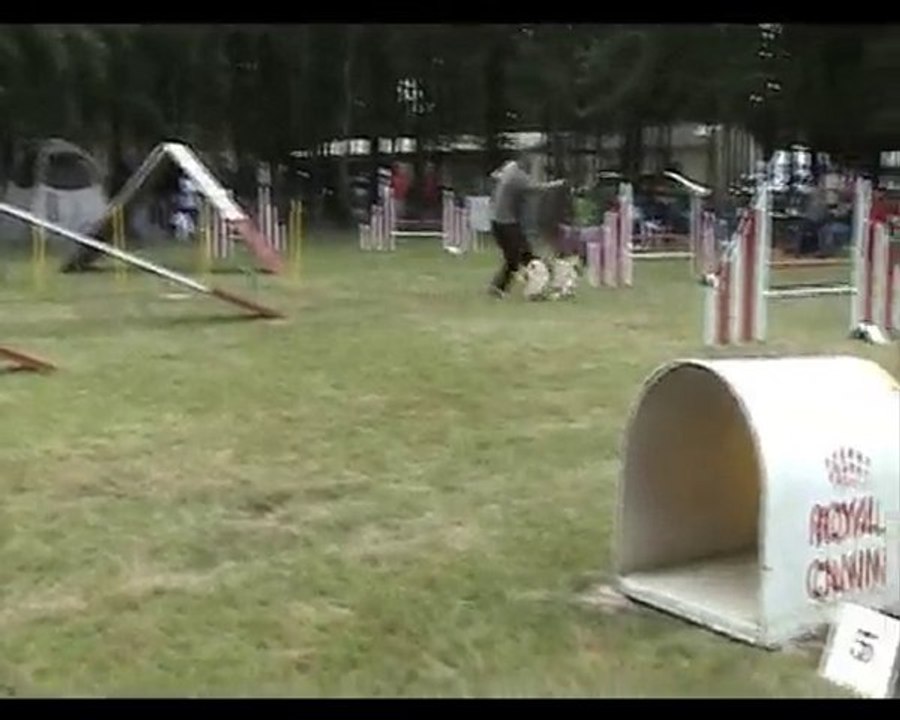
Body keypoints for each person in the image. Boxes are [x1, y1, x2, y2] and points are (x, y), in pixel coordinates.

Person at [487, 152, 566, 298]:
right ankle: (530, 286)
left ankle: (507, 286)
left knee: (521, 255)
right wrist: (556, 185)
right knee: (517, 257)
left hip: (499, 220)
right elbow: (536, 189)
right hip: (506, 222)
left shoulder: (510, 168)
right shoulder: (519, 177)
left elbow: (495, 174)